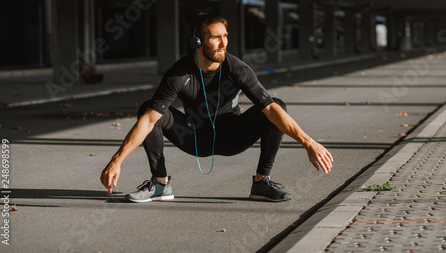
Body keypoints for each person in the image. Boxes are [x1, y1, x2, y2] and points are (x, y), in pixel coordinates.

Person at [100, 12, 333, 203]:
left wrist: (309, 143)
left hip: (233, 136)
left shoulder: (237, 68)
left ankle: (261, 183)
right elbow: (150, 121)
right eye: (216, 38)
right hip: (195, 138)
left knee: (276, 106)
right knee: (149, 109)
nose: (224, 43)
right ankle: (161, 184)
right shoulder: (178, 74)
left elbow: (270, 109)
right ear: (198, 42)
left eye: (225, 36)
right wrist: (117, 160)